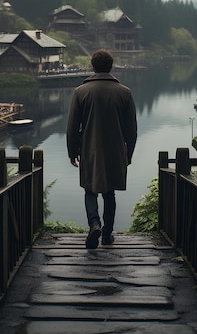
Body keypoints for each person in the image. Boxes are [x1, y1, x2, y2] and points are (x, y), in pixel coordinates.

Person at [66, 49, 138, 249]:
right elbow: (131, 129)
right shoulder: (125, 92)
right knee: (110, 193)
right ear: (111, 66)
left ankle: (94, 223)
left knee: (90, 191)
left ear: (92, 66)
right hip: (115, 150)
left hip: (89, 149)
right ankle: (107, 235)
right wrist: (128, 154)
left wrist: (73, 152)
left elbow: (73, 126)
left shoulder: (81, 92)